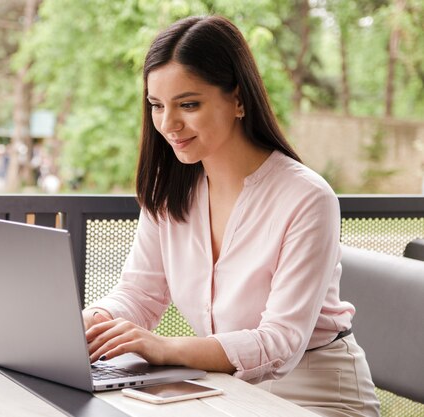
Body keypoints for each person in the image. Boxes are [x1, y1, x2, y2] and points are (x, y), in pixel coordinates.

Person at [83, 15, 380, 417]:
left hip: (316, 395)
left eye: (188, 104)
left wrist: (164, 347)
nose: (168, 124)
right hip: (223, 391)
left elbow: (280, 343)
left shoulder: (306, 197)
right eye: (157, 105)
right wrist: (92, 322)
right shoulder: (170, 191)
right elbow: (140, 295)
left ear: (238, 99)